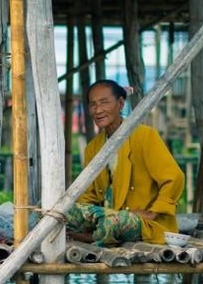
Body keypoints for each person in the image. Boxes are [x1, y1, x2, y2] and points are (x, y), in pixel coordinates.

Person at [67, 79, 185, 246]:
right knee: (60, 214)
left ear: (120, 104)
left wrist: (152, 213)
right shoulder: (93, 147)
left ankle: (90, 237)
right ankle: (93, 233)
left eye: (104, 102)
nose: (98, 110)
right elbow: (89, 194)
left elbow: (175, 178)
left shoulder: (144, 136)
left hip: (143, 223)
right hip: (108, 214)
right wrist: (79, 213)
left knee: (113, 223)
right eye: (92, 104)